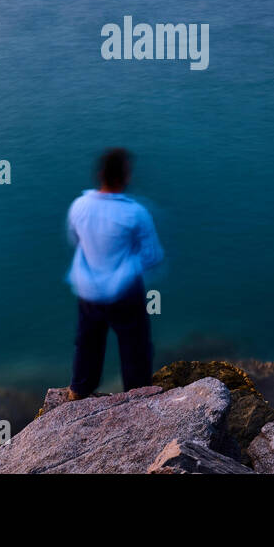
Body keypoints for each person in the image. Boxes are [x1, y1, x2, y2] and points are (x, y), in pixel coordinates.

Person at [65, 148, 164, 398]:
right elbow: (152, 255)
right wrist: (128, 264)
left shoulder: (79, 206)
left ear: (100, 175)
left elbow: (75, 239)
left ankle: (79, 389)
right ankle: (137, 395)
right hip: (124, 292)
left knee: (87, 342)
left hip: (87, 291)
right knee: (135, 346)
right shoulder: (135, 213)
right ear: (126, 176)